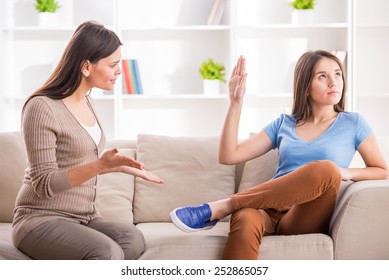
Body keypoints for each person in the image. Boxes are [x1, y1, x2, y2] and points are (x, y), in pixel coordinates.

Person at [170, 50, 388, 259]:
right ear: (305, 86)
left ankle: (223, 206)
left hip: (306, 212)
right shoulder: (284, 124)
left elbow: (382, 170)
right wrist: (236, 103)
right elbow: (229, 155)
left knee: (326, 169)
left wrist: (342, 172)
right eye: (323, 76)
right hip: (266, 207)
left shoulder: (354, 123)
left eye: (338, 74)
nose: (334, 82)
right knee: (245, 217)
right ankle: (234, 210)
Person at [12, 21, 164, 260]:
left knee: (132, 239)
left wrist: (112, 166)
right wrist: (100, 166)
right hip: (39, 219)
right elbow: (43, 183)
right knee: (106, 251)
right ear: (86, 67)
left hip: (84, 218)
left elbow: (75, 162)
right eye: (113, 65)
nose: (119, 71)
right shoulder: (41, 107)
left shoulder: (88, 101)